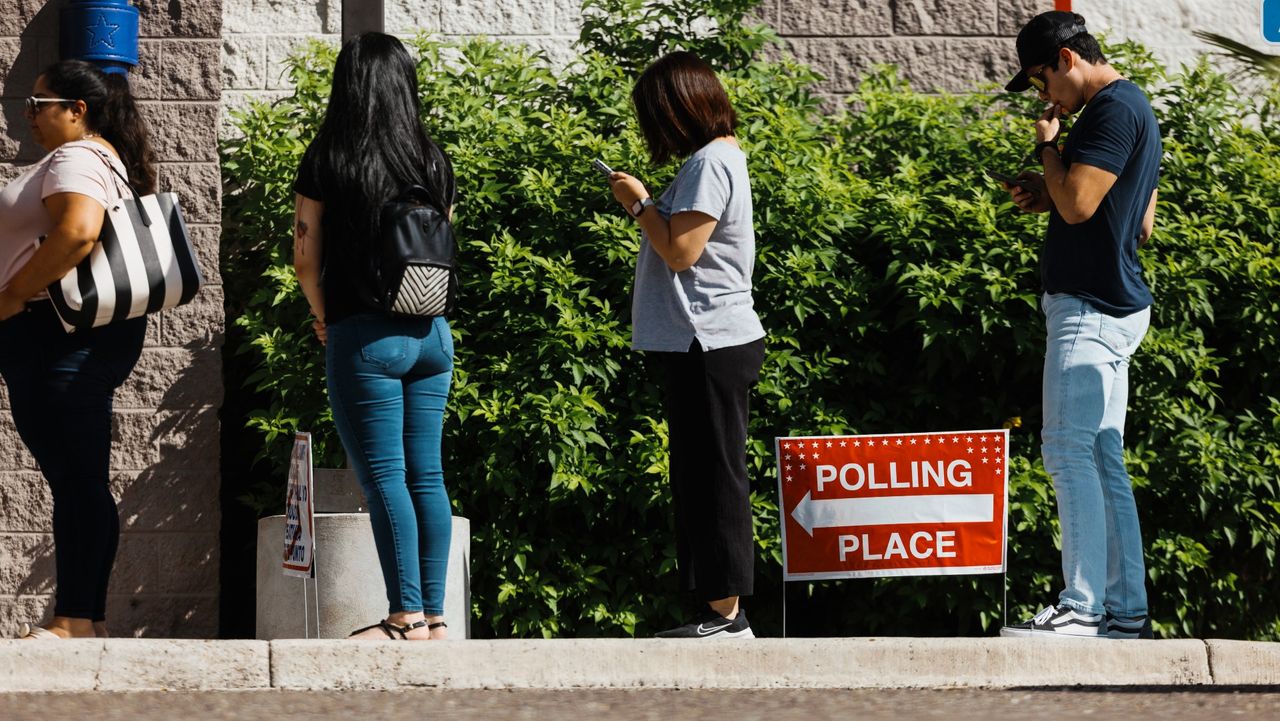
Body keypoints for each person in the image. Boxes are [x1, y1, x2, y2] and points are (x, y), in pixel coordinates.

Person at [998, 12, 1161, 640]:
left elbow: (1081, 204)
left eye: (1041, 81)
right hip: (1115, 304)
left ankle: (1082, 604)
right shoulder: (1135, 107)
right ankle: (1126, 611)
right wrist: (1050, 189)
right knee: (1101, 457)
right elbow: (1134, 219)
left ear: (1067, 60)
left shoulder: (1108, 111)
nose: (1045, 98)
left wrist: (1049, 148)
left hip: (1089, 309)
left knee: (1067, 452)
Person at [293, 32, 457, 641]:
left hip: (364, 337)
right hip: (431, 333)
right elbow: (442, 246)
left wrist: (322, 315)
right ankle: (435, 618)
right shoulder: (433, 159)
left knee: (385, 477)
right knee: (428, 477)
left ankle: (404, 615)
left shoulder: (329, 157)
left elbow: (304, 258)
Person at [606, 51, 766, 640]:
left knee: (715, 476)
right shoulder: (718, 160)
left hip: (709, 340)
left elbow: (681, 251)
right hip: (699, 342)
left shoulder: (709, 163)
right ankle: (714, 612)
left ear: (678, 110)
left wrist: (639, 203)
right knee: (699, 475)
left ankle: (728, 617)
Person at [0, 60, 156, 639]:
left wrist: (13, 296)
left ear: (76, 109)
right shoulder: (104, 158)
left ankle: (73, 620)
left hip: (54, 334)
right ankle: (83, 619)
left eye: (39, 104)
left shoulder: (76, 158)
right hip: (77, 337)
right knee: (79, 478)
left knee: (77, 480)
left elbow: (78, 231)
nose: (29, 115)